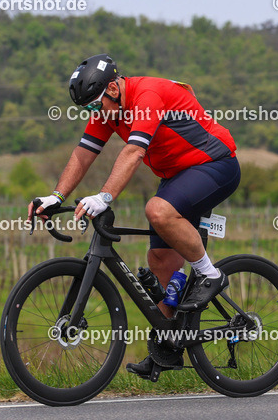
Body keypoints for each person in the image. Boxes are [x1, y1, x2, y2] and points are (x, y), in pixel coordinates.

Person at [30, 54, 240, 376]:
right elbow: (84, 153)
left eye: (95, 106)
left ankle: (210, 275)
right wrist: (56, 196)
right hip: (178, 175)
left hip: (214, 165)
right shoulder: (108, 108)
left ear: (113, 88)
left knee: (157, 210)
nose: (94, 114)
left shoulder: (147, 97)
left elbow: (134, 151)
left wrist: (104, 196)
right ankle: (168, 345)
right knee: (159, 263)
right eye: (88, 110)